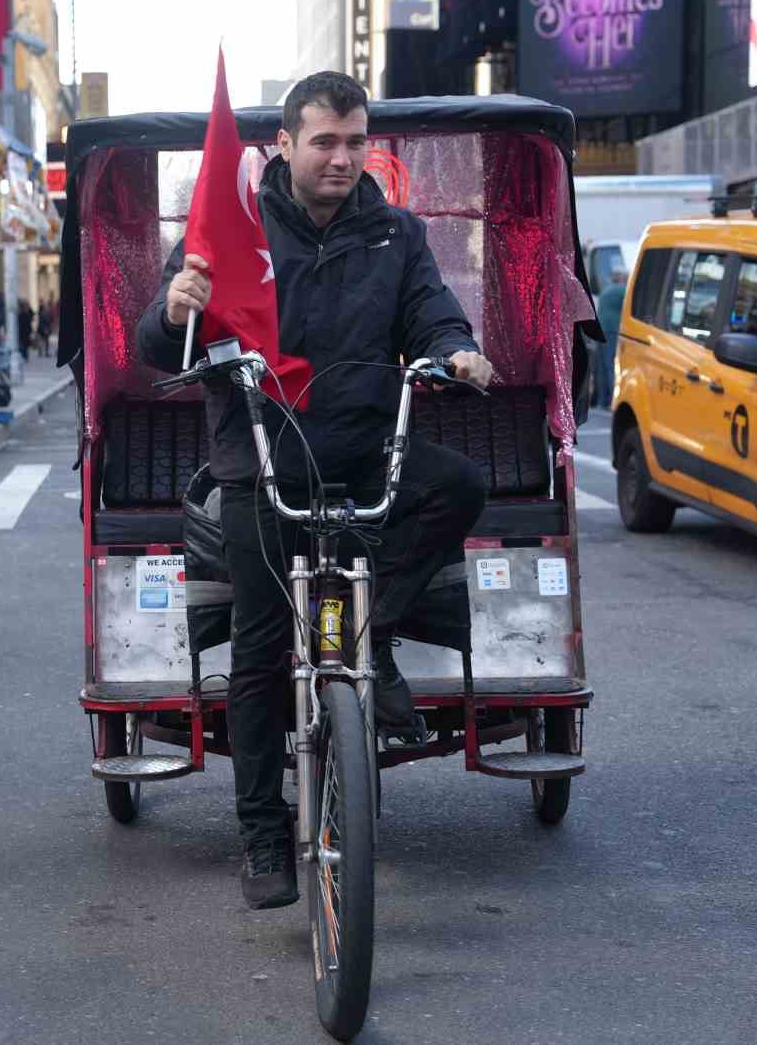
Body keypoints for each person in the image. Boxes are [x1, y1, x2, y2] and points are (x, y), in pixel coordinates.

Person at [137, 71, 491, 911]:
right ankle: (262, 830)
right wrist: (176, 306)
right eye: (324, 141)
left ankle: (374, 629)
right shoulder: (230, 228)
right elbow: (160, 343)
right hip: (260, 459)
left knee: (461, 487)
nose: (341, 156)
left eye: (354, 140)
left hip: (366, 450)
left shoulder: (394, 233)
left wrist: (459, 350)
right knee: (260, 651)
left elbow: (432, 314)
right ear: (286, 145)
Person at [593, 268, 626, 409]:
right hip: (612, 330)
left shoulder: (605, 291)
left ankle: (601, 400)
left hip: (600, 329)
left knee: (601, 366)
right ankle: (612, 400)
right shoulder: (622, 291)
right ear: (620, 279)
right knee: (610, 365)